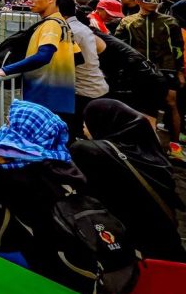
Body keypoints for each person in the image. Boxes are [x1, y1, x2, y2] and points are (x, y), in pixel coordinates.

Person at [72, 99, 186, 261]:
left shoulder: (91, 152)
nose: (84, 124)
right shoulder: (151, 153)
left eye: (87, 119)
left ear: (103, 121)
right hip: (167, 246)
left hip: (128, 250)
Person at [0, 0, 78, 125]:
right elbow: (78, 57)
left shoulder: (51, 24)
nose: (29, 0)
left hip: (44, 99)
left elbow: (43, 56)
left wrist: (5, 70)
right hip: (61, 97)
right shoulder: (62, 23)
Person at [115, 0, 184, 149]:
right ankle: (139, 143)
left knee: (171, 103)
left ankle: (175, 145)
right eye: (149, 0)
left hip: (166, 68)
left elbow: (178, 48)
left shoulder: (170, 22)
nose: (154, 3)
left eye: (157, 0)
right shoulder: (127, 22)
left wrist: (180, 70)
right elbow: (120, 46)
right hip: (138, 69)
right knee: (139, 105)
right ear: (138, 1)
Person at [58, 0, 108, 139]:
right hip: (96, 86)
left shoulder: (69, 30)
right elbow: (101, 47)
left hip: (84, 91)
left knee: (76, 133)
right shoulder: (81, 27)